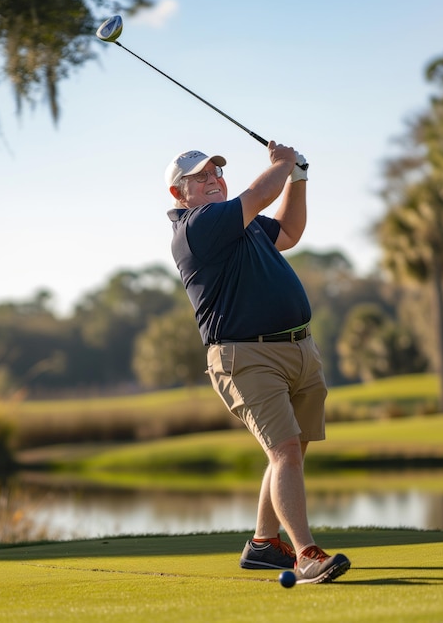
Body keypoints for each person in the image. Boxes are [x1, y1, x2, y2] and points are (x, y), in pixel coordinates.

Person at [164, 141, 351, 585]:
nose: (213, 180)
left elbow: (288, 232)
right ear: (179, 194)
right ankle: (306, 555)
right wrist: (284, 164)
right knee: (284, 450)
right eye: (200, 177)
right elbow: (260, 194)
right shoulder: (198, 227)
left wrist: (298, 179)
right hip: (245, 356)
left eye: (216, 173)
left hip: (298, 349)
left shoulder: (240, 226)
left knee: (291, 453)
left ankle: (265, 544)